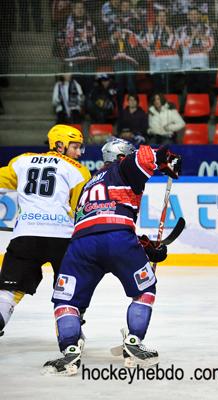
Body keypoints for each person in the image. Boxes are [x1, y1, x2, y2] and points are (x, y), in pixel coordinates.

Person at [43, 139, 182, 375]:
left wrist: (145, 245)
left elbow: (99, 221)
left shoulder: (89, 184)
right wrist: (166, 158)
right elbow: (145, 157)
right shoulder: (122, 167)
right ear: (120, 156)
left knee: (66, 301)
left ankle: (69, 350)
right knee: (145, 290)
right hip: (118, 239)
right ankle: (134, 341)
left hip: (81, 244)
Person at [0, 125, 90, 337]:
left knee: (9, 290)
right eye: (75, 147)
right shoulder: (79, 170)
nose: (79, 152)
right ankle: (70, 333)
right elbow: (80, 210)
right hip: (62, 238)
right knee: (68, 290)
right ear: (59, 145)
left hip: (26, 235)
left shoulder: (22, 161)